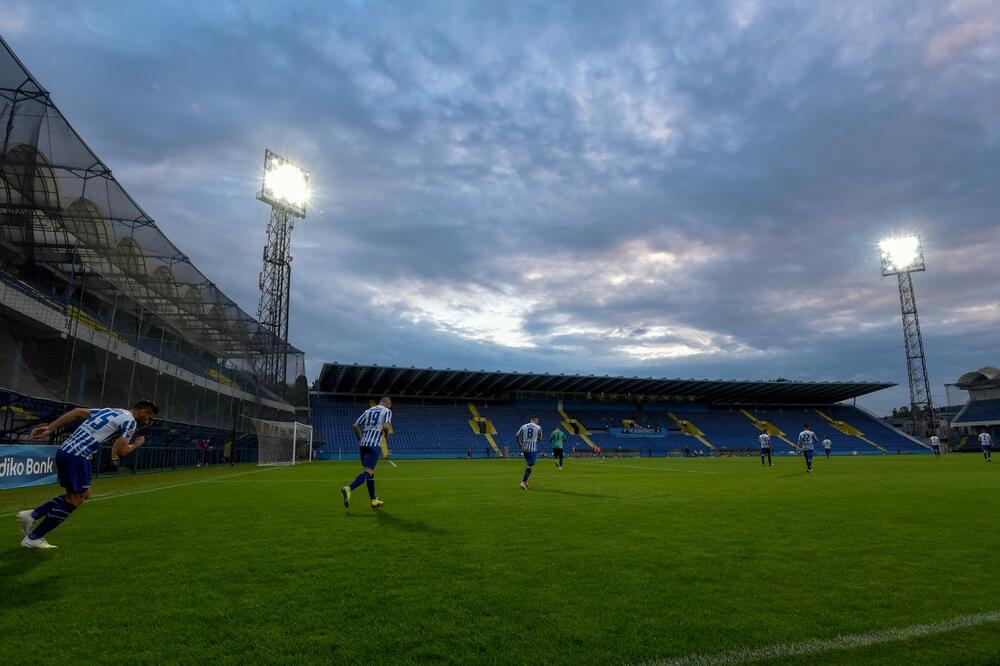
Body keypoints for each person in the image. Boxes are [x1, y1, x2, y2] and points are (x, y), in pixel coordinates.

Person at [17, 400, 158, 549]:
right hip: (79, 455)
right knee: (77, 498)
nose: (148, 421)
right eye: (150, 417)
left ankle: (32, 515)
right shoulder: (130, 422)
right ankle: (34, 537)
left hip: (66, 450)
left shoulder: (113, 410)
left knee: (81, 494)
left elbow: (77, 411)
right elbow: (122, 452)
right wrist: (136, 444)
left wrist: (50, 428)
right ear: (143, 412)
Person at [341, 397, 392, 509]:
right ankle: (349, 488)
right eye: (390, 404)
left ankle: (373, 500)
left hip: (363, 444)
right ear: (388, 403)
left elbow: (355, 425)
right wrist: (386, 434)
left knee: (370, 472)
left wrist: (360, 438)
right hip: (374, 445)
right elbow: (386, 426)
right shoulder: (387, 411)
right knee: (368, 471)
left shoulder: (368, 411)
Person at [516, 416, 542, 490]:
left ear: (530, 420)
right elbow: (541, 439)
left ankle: (526, 481)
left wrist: (519, 443)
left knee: (528, 464)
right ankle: (523, 482)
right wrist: (536, 437)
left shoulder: (524, 426)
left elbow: (517, 434)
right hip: (532, 448)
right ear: (536, 421)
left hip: (524, 448)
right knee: (530, 465)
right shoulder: (538, 427)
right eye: (537, 421)